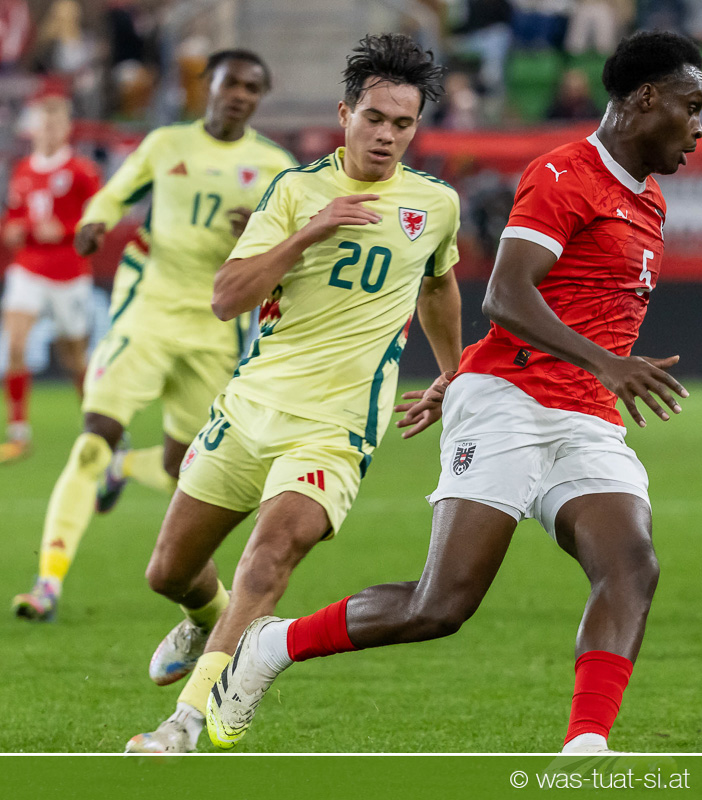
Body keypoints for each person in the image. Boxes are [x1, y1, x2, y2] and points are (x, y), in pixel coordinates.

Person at [206, 29, 702, 754]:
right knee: (440, 606)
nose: (698, 127)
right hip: (510, 402)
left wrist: (572, 371)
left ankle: (586, 746)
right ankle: (272, 645)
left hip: (586, 416)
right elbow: (506, 295)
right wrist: (605, 364)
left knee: (632, 567)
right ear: (647, 99)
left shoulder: (649, 200)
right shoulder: (564, 175)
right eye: (691, 107)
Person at [124, 33, 463, 755]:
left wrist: (452, 372)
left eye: (403, 124)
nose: (387, 135)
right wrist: (312, 231)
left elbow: (438, 286)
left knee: (268, 557)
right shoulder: (294, 191)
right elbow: (227, 298)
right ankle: (205, 618)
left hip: (334, 429)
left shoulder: (435, 205)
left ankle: (185, 721)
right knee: (168, 571)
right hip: (249, 409)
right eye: (375, 118)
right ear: (345, 114)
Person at [11, 49, 296, 623]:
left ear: (260, 98)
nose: (240, 95)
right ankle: (47, 584)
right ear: (206, 85)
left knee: (178, 470)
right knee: (94, 438)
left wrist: (263, 234)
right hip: (147, 315)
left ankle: (123, 469)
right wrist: (95, 221)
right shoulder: (167, 145)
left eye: (252, 88)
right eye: (231, 83)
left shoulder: (275, 167)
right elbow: (115, 193)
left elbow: (296, 250)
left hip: (214, 332)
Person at [0, 83, 101, 462]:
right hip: (27, 268)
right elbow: (14, 216)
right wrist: (12, 230)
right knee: (14, 344)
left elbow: (99, 221)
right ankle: (18, 432)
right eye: (44, 123)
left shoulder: (81, 171)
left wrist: (67, 231)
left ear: (67, 128)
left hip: (69, 273)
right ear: (34, 128)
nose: (49, 130)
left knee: (74, 356)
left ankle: (96, 426)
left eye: (56, 124)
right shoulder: (23, 169)